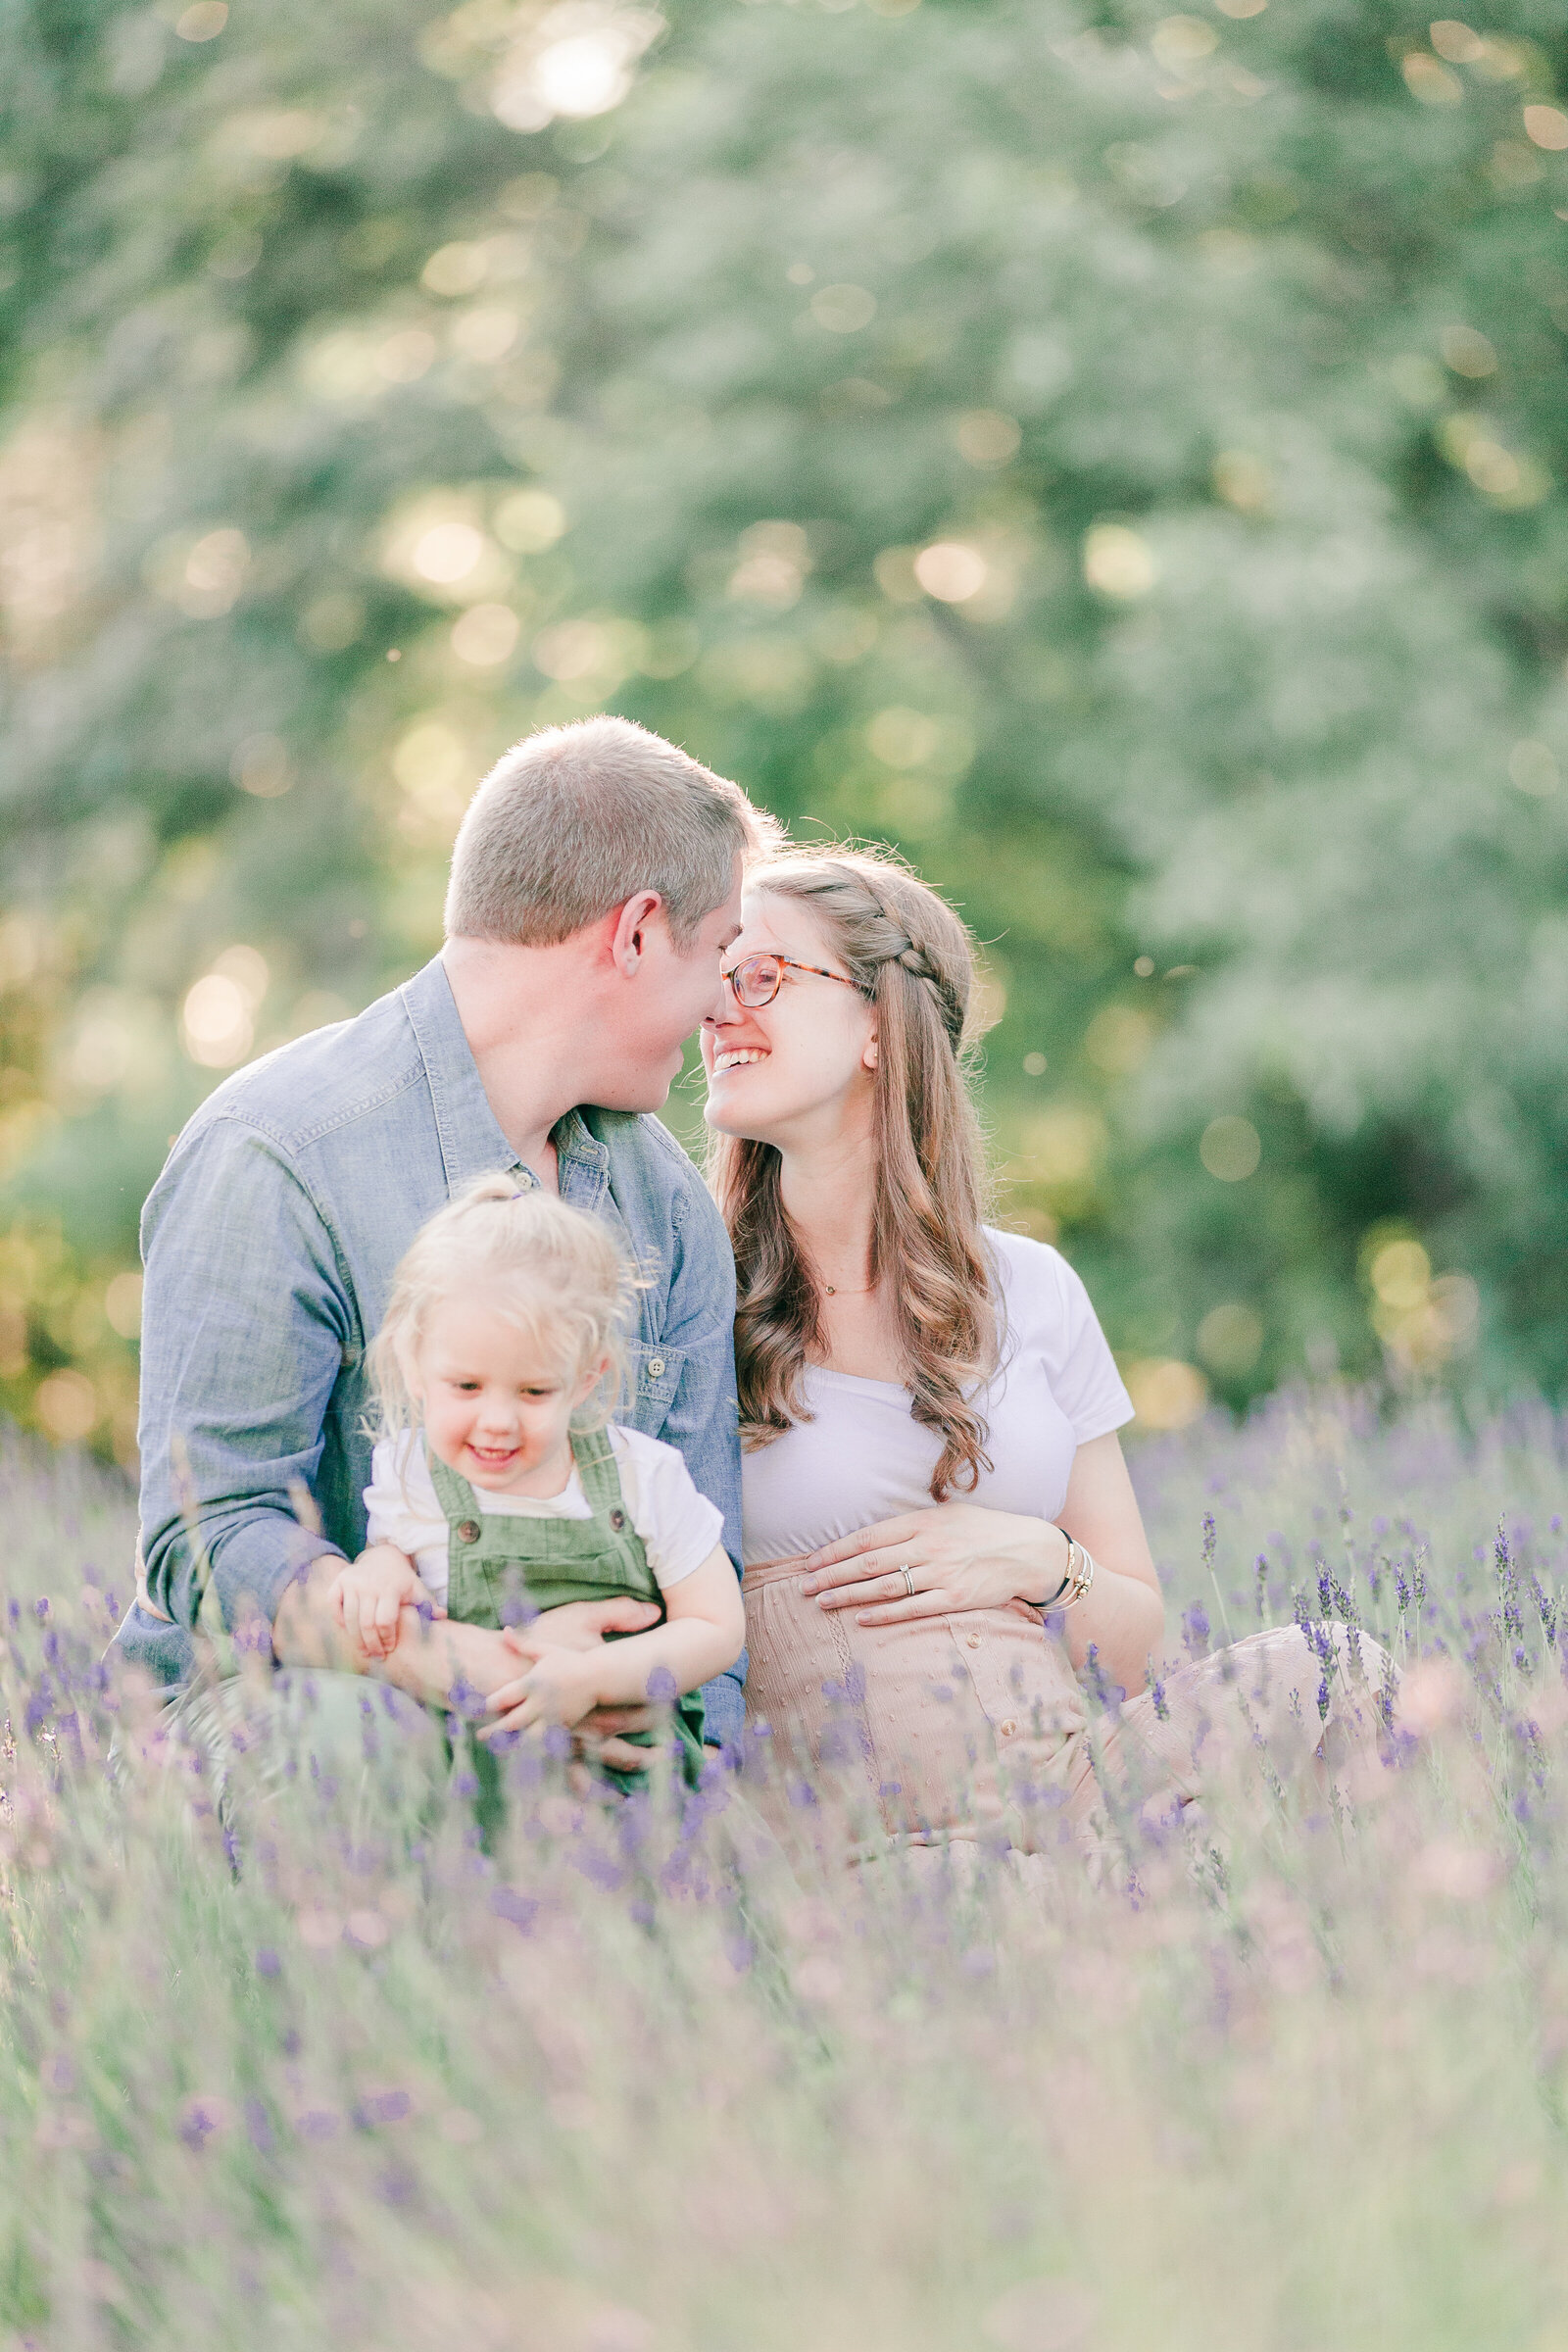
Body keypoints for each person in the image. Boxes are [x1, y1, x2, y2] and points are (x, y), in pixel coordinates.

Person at [701, 846, 1392, 1869]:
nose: (715, 1010)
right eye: (709, 981)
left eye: (756, 975)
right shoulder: (686, 1294)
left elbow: (1140, 1647)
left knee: (1342, 1669)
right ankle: (1116, 1921)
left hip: (1070, 1792)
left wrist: (1042, 1563)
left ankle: (1247, 1947)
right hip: (865, 1847)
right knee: (976, 1890)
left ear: (880, 1026)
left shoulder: (1030, 1289)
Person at [116, 715, 777, 1780]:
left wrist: (657, 1725)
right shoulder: (277, 1151)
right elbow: (212, 1534)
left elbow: (708, 1579)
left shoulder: (669, 1209)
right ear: (639, 933)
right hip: (299, 1717)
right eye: (718, 956)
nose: (716, 1006)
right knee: (365, 1749)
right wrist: (458, 1663)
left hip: (596, 1724)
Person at [337, 1174, 744, 1792]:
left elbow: (717, 1627)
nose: (497, 1421)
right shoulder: (410, 1474)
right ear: (415, 1366)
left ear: (585, 1378)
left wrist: (596, 1678)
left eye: (534, 1391)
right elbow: (398, 1552)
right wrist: (381, 1568)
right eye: (466, 1387)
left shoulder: (642, 1477)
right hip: (480, 1789)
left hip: (630, 1781)